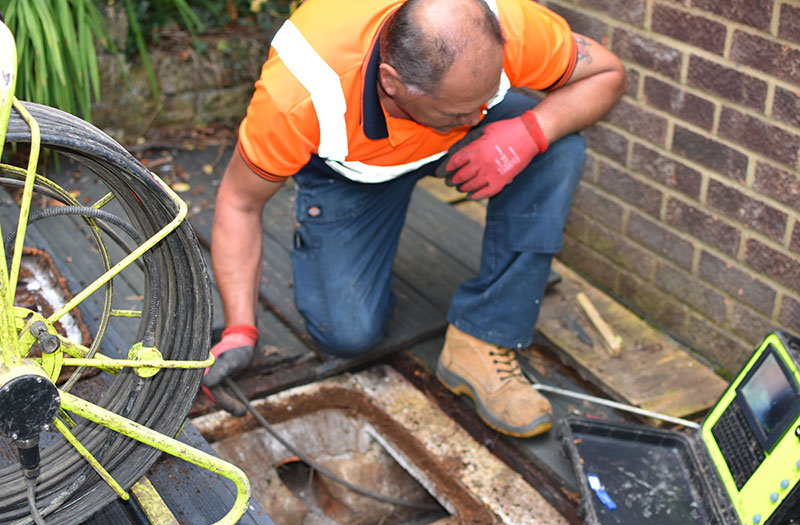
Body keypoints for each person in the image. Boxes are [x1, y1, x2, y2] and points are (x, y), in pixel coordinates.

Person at [203, 0, 626, 437]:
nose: (476, 117)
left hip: (452, 143)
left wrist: (527, 133)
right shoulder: (301, 94)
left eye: (483, 100)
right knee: (347, 333)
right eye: (459, 111)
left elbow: (608, 74)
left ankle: (484, 336)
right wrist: (240, 328)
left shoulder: (505, 26)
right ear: (391, 82)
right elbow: (239, 202)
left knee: (557, 147)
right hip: (354, 172)